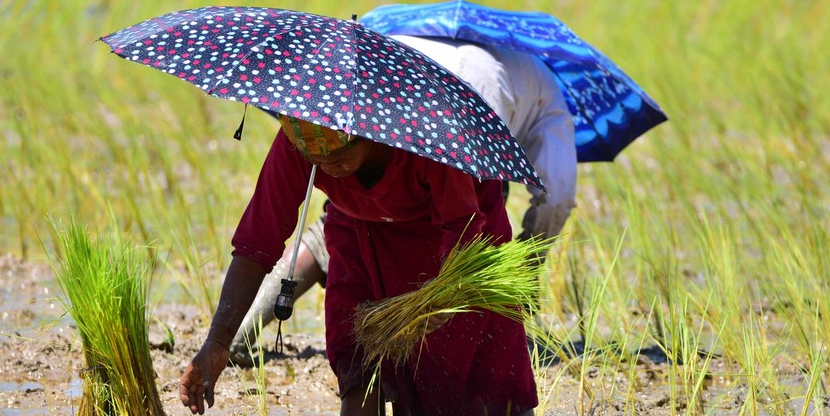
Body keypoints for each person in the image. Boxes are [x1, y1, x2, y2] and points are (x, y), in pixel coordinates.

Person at [179, 115, 540, 416]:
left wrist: (441, 298)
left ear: (372, 134)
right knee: (357, 355)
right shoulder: (300, 135)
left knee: (496, 355)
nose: (330, 169)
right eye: (317, 162)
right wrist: (218, 340)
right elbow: (257, 240)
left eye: (340, 158)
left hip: (462, 234)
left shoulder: (431, 133)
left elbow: (463, 226)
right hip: (361, 230)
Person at [228, 35, 577, 367]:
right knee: (357, 219)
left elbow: (461, 221)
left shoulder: (390, 54)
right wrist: (527, 271)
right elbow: (556, 198)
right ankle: (237, 333)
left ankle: (238, 334)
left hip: (398, 70)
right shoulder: (535, 94)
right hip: (448, 104)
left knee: (344, 214)